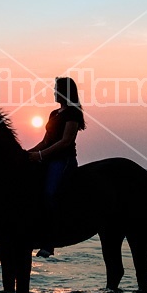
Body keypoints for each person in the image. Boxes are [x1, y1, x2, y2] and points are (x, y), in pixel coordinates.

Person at [28, 77, 86, 258]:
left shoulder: (73, 113)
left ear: (64, 91)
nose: (53, 92)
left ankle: (50, 241)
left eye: (56, 88)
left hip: (63, 160)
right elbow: (45, 141)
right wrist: (25, 154)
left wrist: (40, 155)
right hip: (47, 159)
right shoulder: (54, 114)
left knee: (50, 193)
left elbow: (65, 142)